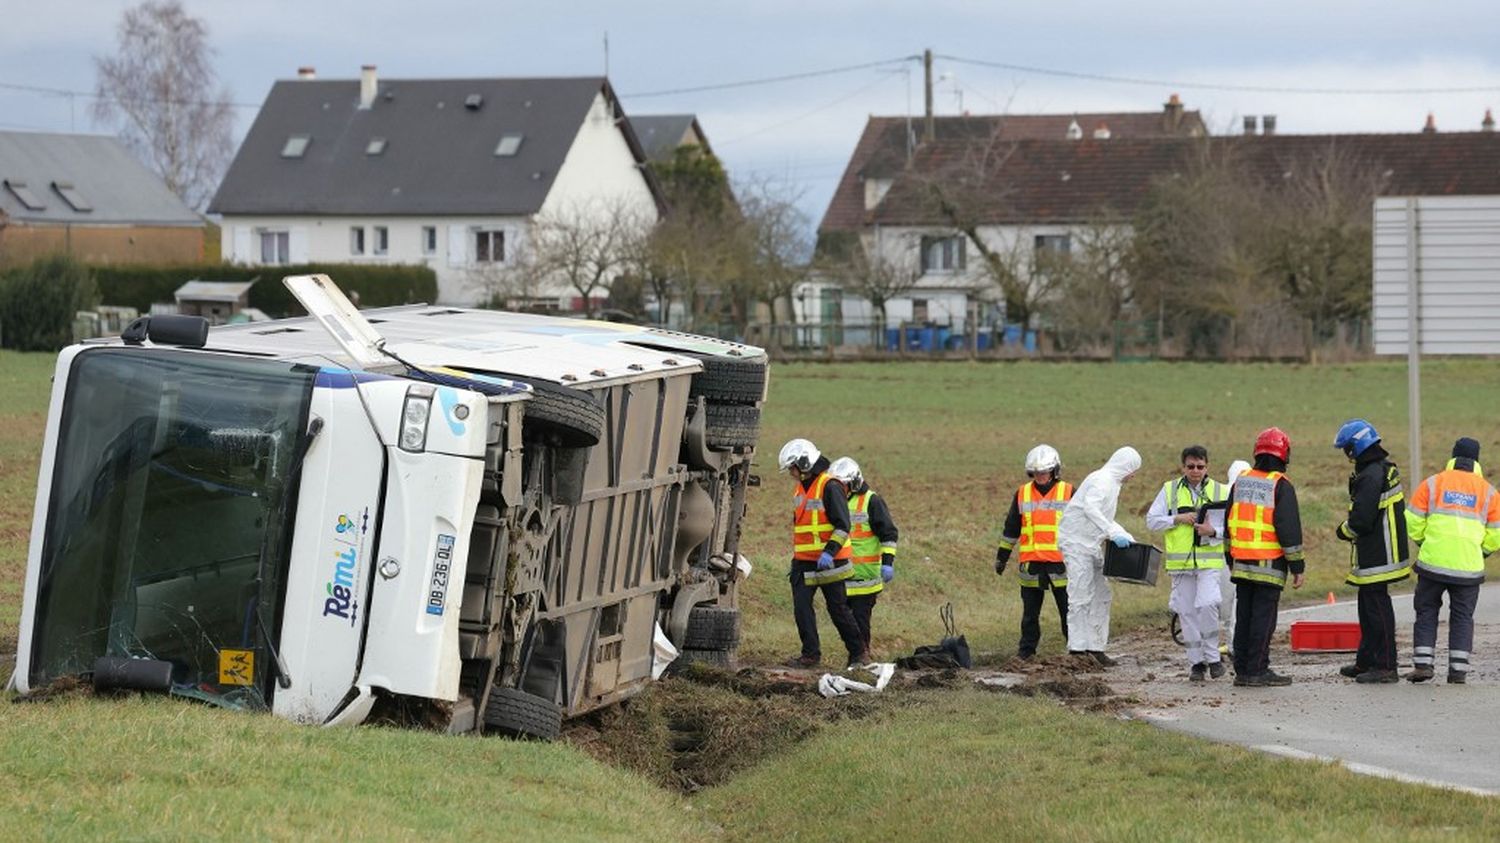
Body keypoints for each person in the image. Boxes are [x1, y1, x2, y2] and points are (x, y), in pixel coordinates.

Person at [1404, 437, 1500, 684]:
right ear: (1476, 460)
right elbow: (1496, 533)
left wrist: (1424, 542)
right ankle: (1458, 670)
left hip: (1433, 563)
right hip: (1468, 568)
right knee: (1462, 617)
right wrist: (1482, 551)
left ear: (1453, 457)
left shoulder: (1433, 483)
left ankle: (1423, 664)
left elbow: (1413, 520)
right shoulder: (1489, 491)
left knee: (1426, 611)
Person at [1332, 419, 1412, 684]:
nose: (1347, 455)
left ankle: (1386, 666)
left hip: (1379, 555)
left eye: (1348, 449)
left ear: (1358, 446)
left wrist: (1342, 530)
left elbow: (1362, 520)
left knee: (1377, 612)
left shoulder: (1371, 475)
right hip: (1378, 552)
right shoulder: (1379, 469)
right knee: (1368, 611)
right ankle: (1366, 661)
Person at [778, 438, 868, 669]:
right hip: (803, 562)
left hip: (831, 562)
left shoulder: (830, 486)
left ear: (804, 464)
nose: (791, 473)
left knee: (837, 609)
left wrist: (829, 552)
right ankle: (810, 655)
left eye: (792, 468)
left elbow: (842, 525)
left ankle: (858, 653)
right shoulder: (800, 489)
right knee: (802, 608)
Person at [1226, 428, 1306, 687]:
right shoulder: (1281, 485)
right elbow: (1288, 529)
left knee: (1245, 618)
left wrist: (1231, 558)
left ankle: (1242, 670)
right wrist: (1297, 566)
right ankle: (1257, 670)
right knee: (1263, 621)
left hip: (1241, 564)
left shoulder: (1241, 481)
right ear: (1284, 454)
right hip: (1269, 566)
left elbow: (1229, 522)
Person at [1147, 445, 1229, 681]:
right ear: (1183, 466)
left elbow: (1233, 528)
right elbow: (1152, 521)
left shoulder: (1221, 491)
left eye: (1200, 466)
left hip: (1209, 562)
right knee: (1187, 612)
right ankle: (1196, 663)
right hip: (1181, 564)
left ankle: (1213, 658)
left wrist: (1213, 531)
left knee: (1207, 604)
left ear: (1207, 467)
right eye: (1191, 466)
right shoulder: (1169, 490)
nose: (1195, 471)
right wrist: (1176, 519)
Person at [1059, 446, 1141, 667]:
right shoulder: (1101, 480)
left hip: (1091, 543)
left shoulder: (1113, 484)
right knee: (1080, 594)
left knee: (1102, 594)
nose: (1133, 476)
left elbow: (1102, 516)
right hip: (1076, 542)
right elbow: (1090, 508)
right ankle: (1077, 650)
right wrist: (1112, 532)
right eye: (1133, 470)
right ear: (1125, 467)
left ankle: (1096, 647)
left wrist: (1121, 532)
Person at [995, 445, 1073, 660]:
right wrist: (1002, 557)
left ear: (1055, 470)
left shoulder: (1069, 492)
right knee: (1030, 614)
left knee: (1068, 611)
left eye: (1044, 472)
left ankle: (1076, 650)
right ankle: (1026, 652)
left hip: (1061, 563)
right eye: (1036, 473)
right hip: (1031, 564)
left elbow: (1081, 525)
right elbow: (1011, 529)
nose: (1040, 476)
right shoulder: (1022, 493)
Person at [828, 457, 898, 656]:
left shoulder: (871, 501)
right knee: (843, 620)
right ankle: (857, 655)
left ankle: (862, 656)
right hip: (841, 575)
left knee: (860, 619)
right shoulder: (834, 500)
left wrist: (888, 563)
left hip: (865, 577)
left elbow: (889, 535)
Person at [1221, 459, 1251, 654]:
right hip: (1248, 555)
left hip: (1222, 557)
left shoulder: (1222, 492)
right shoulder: (1253, 494)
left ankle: (1230, 645)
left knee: (1225, 604)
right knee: (1240, 604)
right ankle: (1237, 646)